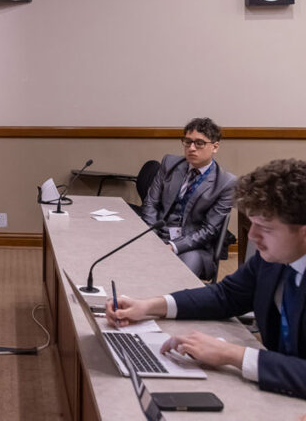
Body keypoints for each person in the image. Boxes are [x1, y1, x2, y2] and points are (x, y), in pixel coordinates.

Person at [108, 158, 306, 400]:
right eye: (251, 223)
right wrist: (149, 306)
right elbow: (226, 296)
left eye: (264, 227)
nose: (252, 237)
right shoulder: (273, 259)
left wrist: (232, 354)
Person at [141, 117, 237, 279]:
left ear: (215, 146)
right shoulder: (170, 163)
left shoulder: (226, 182)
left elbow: (209, 230)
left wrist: (173, 246)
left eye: (199, 143)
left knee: (178, 275)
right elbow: (151, 202)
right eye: (188, 142)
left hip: (192, 246)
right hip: (157, 234)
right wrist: (151, 235)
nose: (192, 148)